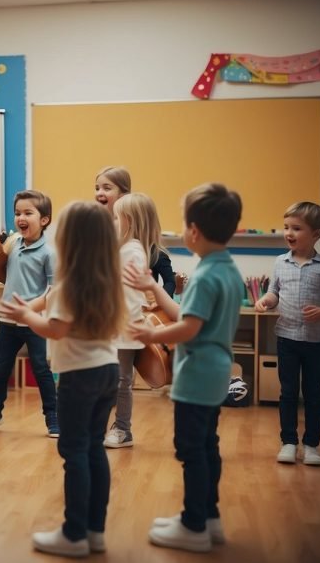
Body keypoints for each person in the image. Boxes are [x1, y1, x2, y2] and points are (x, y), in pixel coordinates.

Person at [0, 201, 125, 557]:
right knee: (93, 449)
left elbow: (55, 330)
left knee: (74, 453)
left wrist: (25, 314)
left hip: (78, 378)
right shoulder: (106, 278)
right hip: (107, 371)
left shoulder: (73, 283)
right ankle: (94, 531)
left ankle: (73, 534)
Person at [127, 183, 243, 553]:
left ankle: (193, 525)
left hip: (197, 375)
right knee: (207, 446)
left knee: (191, 449)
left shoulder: (206, 275)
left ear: (193, 231)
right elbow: (187, 314)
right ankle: (209, 519)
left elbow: (188, 328)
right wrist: (154, 287)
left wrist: (150, 330)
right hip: (215, 372)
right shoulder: (223, 269)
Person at [0, 190, 58, 437]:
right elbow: (1, 274)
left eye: (28, 213)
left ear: (44, 220)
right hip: (8, 319)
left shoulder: (48, 253)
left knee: (41, 368)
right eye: (18, 213)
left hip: (34, 321)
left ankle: (53, 415)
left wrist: (30, 309)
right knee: (0, 368)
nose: (21, 217)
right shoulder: (12, 244)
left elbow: (53, 291)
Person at [255, 201, 320, 466]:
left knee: (313, 394)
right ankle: (288, 442)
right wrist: (265, 300)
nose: (289, 233)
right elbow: (274, 292)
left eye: (296, 228)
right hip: (286, 338)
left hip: (315, 342)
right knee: (288, 392)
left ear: (316, 234)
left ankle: (311, 445)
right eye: (286, 227)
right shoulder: (280, 262)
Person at [104, 192, 160, 449]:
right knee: (113, 379)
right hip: (115, 326)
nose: (112, 222)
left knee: (122, 380)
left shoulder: (132, 252)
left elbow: (126, 293)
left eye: (116, 218)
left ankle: (123, 429)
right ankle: (109, 426)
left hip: (124, 328)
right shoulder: (125, 250)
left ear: (130, 222)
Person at [95, 166, 176, 296]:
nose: (99, 193)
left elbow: (170, 282)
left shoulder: (150, 253)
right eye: (97, 188)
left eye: (107, 188)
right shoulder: (101, 238)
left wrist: (159, 300)